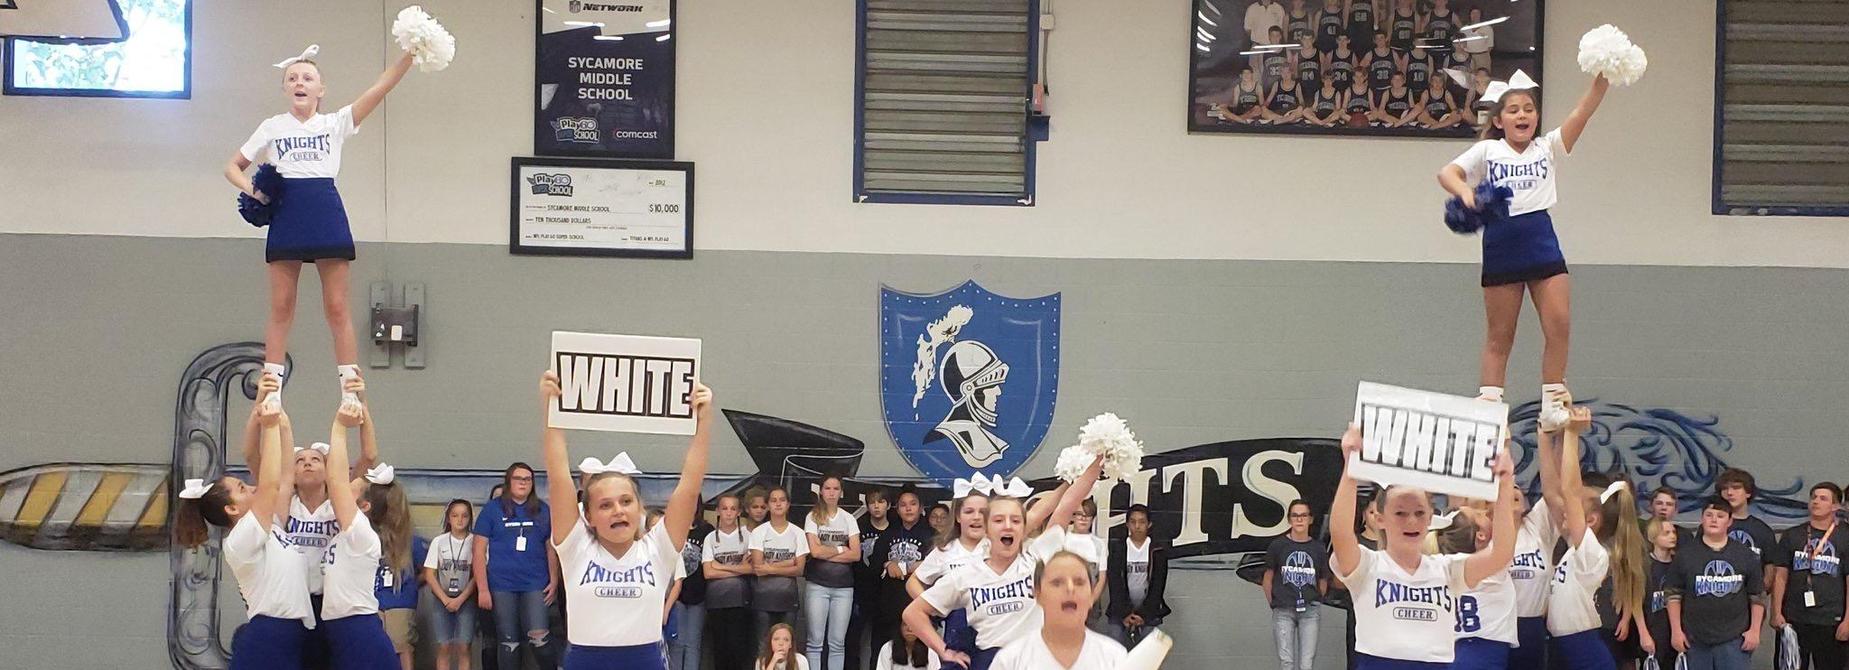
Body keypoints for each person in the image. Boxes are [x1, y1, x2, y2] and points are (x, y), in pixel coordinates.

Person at [225, 44, 417, 414]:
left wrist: (408, 55)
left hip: (325, 208)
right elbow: (232, 166)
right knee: (281, 305)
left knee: (337, 306)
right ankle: (272, 390)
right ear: (285, 89)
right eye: (292, 78)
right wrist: (255, 192)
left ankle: (349, 389)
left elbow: (378, 89)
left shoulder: (335, 123)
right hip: (287, 212)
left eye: (308, 77)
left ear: (321, 89)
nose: (300, 82)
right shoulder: (272, 126)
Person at [1438, 70, 1611, 416]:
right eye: (1514, 110)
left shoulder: (1547, 146)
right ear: (1499, 120)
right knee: (1500, 334)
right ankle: (1489, 400)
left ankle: (1552, 398)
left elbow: (1581, 113)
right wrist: (1466, 193)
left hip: (1541, 239)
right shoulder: (1488, 149)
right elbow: (1447, 173)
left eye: (1528, 109)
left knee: (1559, 322)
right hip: (1501, 242)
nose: (1522, 115)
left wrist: (1601, 81)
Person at [537, 370, 715, 669]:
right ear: (588, 515)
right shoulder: (575, 546)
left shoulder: (659, 548)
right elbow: (558, 477)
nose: (618, 510)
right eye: (605, 505)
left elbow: (690, 484)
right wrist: (551, 411)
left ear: (640, 509)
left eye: (626, 501)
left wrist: (704, 421)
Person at [1329, 423, 1518, 668]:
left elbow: (1501, 553)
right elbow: (1341, 532)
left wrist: (1504, 486)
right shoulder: (1367, 565)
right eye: (1400, 513)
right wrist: (1350, 469)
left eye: (1419, 513)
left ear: (1430, 518)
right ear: (1379, 518)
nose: (1411, 521)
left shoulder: (1447, 570)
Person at [904, 461, 1104, 670]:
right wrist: (944, 651)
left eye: (1016, 521)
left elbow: (1066, 506)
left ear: (1023, 527)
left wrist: (1095, 463)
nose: (1008, 526)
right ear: (987, 529)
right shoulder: (964, 575)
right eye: (999, 520)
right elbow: (913, 613)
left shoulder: (1036, 558)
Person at [174, 374, 314, 670]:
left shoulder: (271, 526)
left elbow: (287, 476)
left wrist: (277, 416)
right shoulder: (241, 538)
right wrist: (271, 424)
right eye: (241, 488)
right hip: (269, 637)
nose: (250, 487)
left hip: (291, 635)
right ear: (232, 509)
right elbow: (272, 482)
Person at [317, 400, 402, 669]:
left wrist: (340, 426)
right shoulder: (346, 531)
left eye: (352, 488)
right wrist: (359, 400)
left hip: (358, 630)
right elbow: (369, 454)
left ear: (364, 505)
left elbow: (336, 480)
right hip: (340, 629)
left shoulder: (361, 533)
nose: (345, 487)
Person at [473, 461, 559, 670]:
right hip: (501, 586)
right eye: (518, 479)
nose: (523, 483)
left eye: (528, 479)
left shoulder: (542, 510)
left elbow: (551, 548)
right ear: (509, 481)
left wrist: (554, 580)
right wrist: (483, 589)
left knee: (539, 637)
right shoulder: (492, 510)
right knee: (508, 641)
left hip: (535, 584)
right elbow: (477, 551)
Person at [1667, 498, 1766, 670]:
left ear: (1729, 521)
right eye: (1709, 515)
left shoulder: (1746, 555)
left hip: (1735, 639)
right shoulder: (1685, 555)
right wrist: (1676, 631)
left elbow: (1757, 595)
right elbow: (1673, 594)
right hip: (1695, 639)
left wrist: (1755, 631)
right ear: (1701, 519)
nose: (1714, 520)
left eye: (1720, 516)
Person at [988, 551, 1130, 670]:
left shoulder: (1115, 658)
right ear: (1038, 594)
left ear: (1092, 594)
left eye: (1079, 582)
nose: (1070, 588)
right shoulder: (1010, 660)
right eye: (1057, 583)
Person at [1771, 482, 1847, 670]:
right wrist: (1776, 612)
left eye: (1823, 498)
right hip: (1794, 619)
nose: (1816, 502)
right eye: (1813, 497)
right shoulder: (1792, 535)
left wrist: (1848, 620)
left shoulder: (1845, 536)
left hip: (1831, 620)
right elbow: (1780, 576)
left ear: (1835, 506)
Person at [912, 485, 991, 658]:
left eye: (983, 512)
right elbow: (913, 582)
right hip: (956, 632)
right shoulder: (944, 550)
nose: (976, 517)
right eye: (969, 511)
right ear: (957, 516)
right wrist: (934, 606)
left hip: (991, 629)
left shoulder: (996, 547)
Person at [806, 476, 863, 670]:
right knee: (815, 642)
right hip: (817, 586)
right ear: (821, 491)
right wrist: (840, 550)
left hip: (844, 588)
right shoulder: (813, 516)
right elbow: (814, 552)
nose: (831, 492)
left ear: (841, 492)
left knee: (837, 644)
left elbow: (855, 554)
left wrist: (825, 552)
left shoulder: (849, 518)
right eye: (827, 488)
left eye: (835, 488)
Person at [1264, 500, 1328, 670]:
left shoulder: (1318, 548)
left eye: (1303, 515)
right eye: (1295, 515)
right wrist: (1275, 603)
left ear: (1310, 519)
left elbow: (1322, 579)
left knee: (1306, 663)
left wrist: (1316, 599)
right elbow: (1268, 577)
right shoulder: (1277, 546)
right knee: (1287, 662)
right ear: (1289, 519)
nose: (1299, 520)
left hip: (1310, 611)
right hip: (1283, 610)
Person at [873, 489, 934, 659]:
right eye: (903, 505)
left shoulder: (931, 535)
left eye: (913, 504)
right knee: (885, 648)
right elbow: (874, 563)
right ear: (897, 509)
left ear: (921, 507)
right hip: (890, 602)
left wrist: (906, 567)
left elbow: (936, 565)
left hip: (917, 601)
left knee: (919, 651)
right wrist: (888, 564)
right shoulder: (888, 534)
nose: (908, 509)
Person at [425, 499, 480, 670]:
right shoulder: (439, 541)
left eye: (464, 516)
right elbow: (429, 574)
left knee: (464, 646)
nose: (460, 520)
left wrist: (460, 599)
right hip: (442, 599)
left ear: (470, 518)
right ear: (448, 518)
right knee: (444, 646)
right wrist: (445, 599)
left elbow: (478, 575)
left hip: (466, 598)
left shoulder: (475, 542)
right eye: (455, 515)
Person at [704, 495, 757, 670]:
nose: (728, 513)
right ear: (718, 511)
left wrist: (720, 566)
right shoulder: (710, 538)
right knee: (720, 649)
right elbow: (708, 572)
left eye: (733, 509)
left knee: (739, 648)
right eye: (724, 508)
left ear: (739, 512)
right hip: (716, 602)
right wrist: (737, 567)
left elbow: (751, 569)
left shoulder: (748, 537)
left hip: (740, 600)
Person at [1106, 504, 1170, 648]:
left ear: (1149, 524)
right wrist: (1125, 613)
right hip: (1120, 610)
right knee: (1114, 643)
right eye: (1133, 522)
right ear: (1127, 524)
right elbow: (1114, 584)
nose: (1137, 526)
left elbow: (1158, 587)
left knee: (1150, 649)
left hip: (1149, 611)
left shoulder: (1158, 551)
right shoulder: (1118, 550)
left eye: (1142, 522)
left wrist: (1143, 615)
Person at [752, 487, 809, 639]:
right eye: (773, 500)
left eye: (782, 500)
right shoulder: (759, 532)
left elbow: (799, 570)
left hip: (788, 598)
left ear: (788, 504)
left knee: (786, 646)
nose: (778, 504)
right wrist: (789, 562)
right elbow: (758, 569)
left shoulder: (798, 533)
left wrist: (770, 567)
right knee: (763, 646)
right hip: (763, 598)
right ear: (768, 505)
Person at [851, 489, 894, 670]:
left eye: (881, 501)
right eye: (872, 502)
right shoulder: (858, 527)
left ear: (889, 505)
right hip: (859, 591)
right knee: (853, 638)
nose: (876, 506)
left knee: (879, 641)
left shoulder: (895, 530)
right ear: (867, 506)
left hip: (884, 594)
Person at [671, 501, 716, 670]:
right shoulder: (673, 527)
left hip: (699, 594)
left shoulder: (707, 530)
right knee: (677, 642)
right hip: (677, 593)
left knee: (693, 643)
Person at [1642, 518, 1678, 670]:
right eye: (1666, 533)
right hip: (1653, 632)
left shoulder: (1679, 564)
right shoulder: (1644, 566)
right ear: (1653, 537)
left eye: (1674, 532)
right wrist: (1643, 633)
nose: (1672, 536)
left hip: (1675, 633)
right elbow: (1636, 603)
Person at [875, 625, 941, 670]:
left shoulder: (930, 649)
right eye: (905, 624)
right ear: (899, 627)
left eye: (913, 624)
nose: (909, 629)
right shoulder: (888, 647)